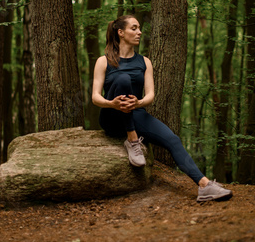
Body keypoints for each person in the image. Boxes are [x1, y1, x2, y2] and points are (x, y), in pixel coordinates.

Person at [92, 14, 233, 202]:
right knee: (123, 79)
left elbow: (150, 95)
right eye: (134, 28)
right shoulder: (104, 61)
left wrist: (139, 103)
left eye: (139, 28)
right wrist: (111, 103)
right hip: (111, 117)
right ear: (121, 32)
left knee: (173, 139)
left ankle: (204, 185)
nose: (139, 32)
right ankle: (132, 140)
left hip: (136, 113)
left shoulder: (145, 62)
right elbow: (95, 97)